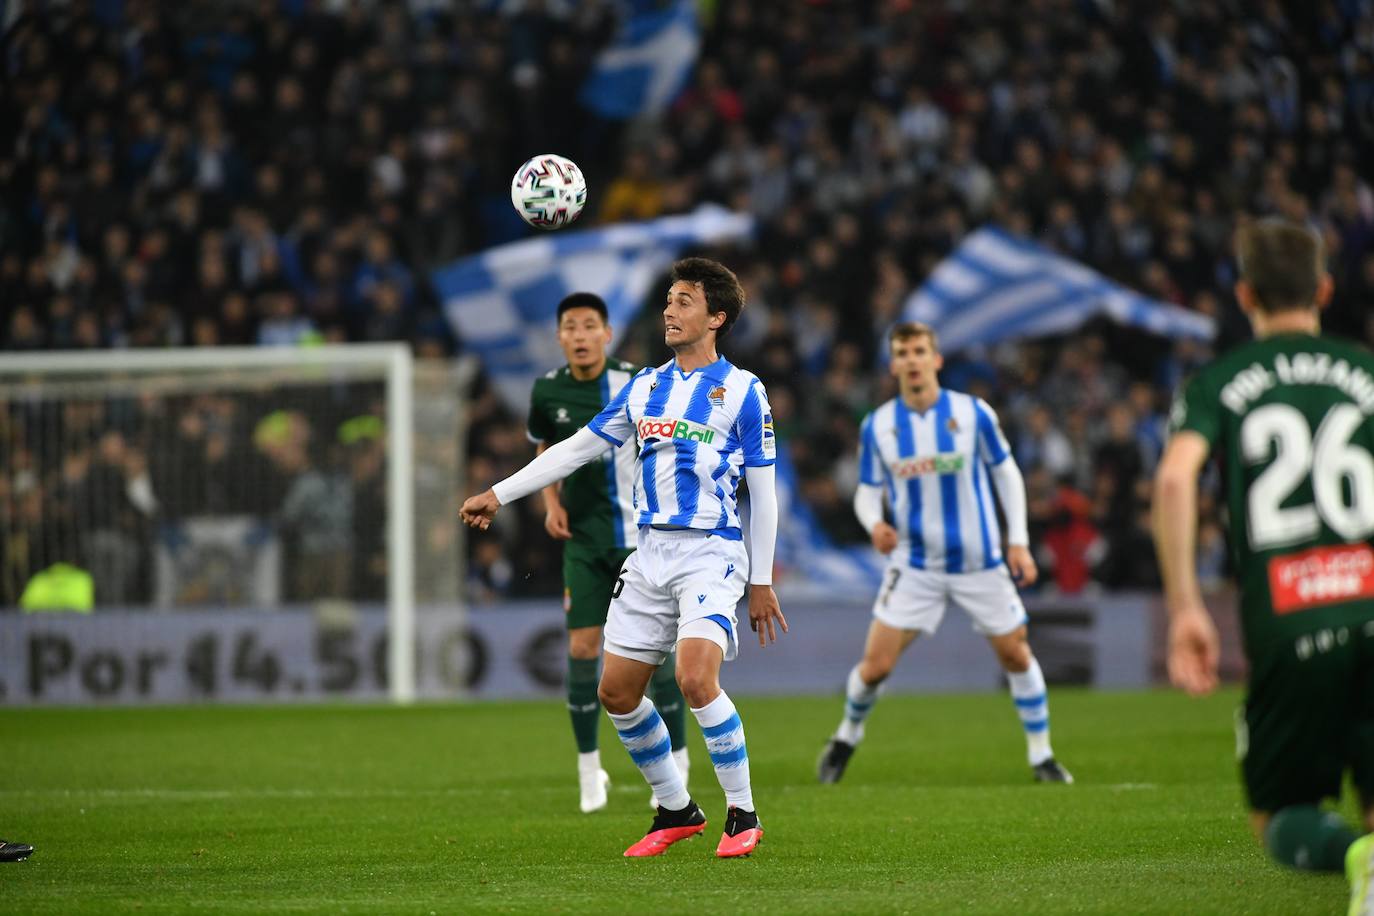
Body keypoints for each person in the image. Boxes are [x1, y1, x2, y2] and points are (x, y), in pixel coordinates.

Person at [462, 258, 787, 859]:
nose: (669, 309)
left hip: (710, 552)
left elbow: (763, 494)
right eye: (668, 298)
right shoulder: (644, 387)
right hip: (649, 553)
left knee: (694, 678)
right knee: (615, 691)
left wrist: (762, 580)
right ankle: (676, 807)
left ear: (716, 317)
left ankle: (742, 812)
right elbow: (575, 449)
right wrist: (499, 494)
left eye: (684, 300)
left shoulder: (744, 391)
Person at [1152, 218, 1373, 912]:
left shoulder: (1220, 379)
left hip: (1288, 618)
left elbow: (1174, 480)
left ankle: (1355, 861)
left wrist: (1186, 605)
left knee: (1276, 814)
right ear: (1325, 289)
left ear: (1246, 294)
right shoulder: (1365, 371)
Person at [817, 322, 1073, 785]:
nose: (912, 360)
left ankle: (1042, 756)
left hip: (980, 561)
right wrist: (874, 523)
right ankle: (845, 738)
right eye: (903, 352)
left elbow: (1006, 473)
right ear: (894, 364)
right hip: (915, 565)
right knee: (875, 668)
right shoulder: (879, 426)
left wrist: (1018, 540)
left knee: (1016, 654)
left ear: (935, 359)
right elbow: (867, 491)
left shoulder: (973, 414)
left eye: (919, 351)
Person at [525, 292, 690, 814]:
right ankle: (587, 767)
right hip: (585, 541)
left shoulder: (639, 383)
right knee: (581, 650)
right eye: (569, 326)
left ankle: (678, 763)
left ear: (606, 333)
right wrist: (551, 501)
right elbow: (546, 447)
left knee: (658, 657)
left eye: (588, 325)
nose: (578, 335)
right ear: (560, 337)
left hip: (640, 540)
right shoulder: (546, 390)